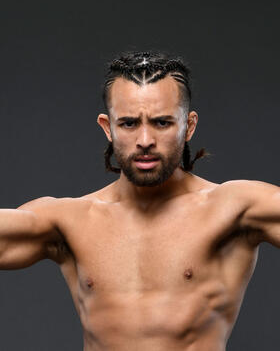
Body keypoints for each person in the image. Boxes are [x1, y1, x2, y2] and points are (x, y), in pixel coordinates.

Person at [0, 51, 279, 351]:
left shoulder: (232, 209)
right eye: (129, 123)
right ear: (108, 128)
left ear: (189, 125)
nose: (145, 139)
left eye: (161, 123)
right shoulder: (70, 220)